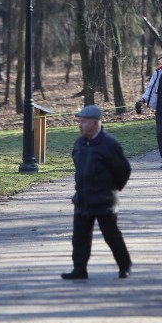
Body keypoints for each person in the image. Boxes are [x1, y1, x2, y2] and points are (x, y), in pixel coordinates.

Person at [61, 105, 132, 280]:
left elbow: (123, 170)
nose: (80, 125)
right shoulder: (79, 143)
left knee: (111, 235)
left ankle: (124, 265)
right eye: (79, 121)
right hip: (83, 198)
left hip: (104, 199)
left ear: (95, 124)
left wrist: (112, 189)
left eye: (83, 122)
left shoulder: (110, 144)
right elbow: (78, 166)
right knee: (80, 237)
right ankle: (79, 269)